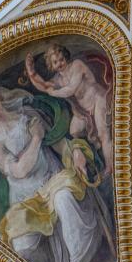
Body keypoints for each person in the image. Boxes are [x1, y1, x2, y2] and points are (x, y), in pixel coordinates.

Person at [0, 84, 107, 262]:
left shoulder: (29, 116)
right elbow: (19, 171)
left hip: (52, 179)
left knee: (64, 199)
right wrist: (36, 137)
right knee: (22, 247)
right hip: (27, 198)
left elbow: (57, 143)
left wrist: (75, 152)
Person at [24, 45, 115, 174]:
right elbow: (43, 86)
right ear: (51, 65)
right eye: (55, 62)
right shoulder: (58, 80)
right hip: (84, 110)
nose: (60, 63)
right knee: (74, 131)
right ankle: (93, 160)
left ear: (66, 57)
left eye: (61, 59)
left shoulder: (77, 65)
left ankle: (110, 167)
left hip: (97, 99)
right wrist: (31, 72)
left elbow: (71, 89)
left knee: (103, 134)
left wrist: (53, 93)